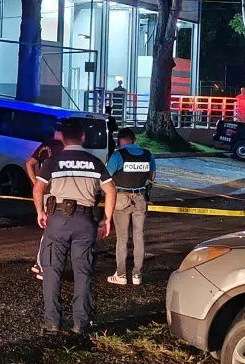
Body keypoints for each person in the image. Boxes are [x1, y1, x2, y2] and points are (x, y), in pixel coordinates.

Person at [32, 118, 117, 334]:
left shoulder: (54, 160)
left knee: (52, 271)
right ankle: (81, 322)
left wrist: (40, 212)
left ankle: (52, 321)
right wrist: (107, 219)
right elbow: (111, 190)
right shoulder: (94, 162)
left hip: (58, 219)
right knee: (83, 271)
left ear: (62, 138)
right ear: (83, 137)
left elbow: (38, 189)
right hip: (85, 221)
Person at [106, 128, 156, 286]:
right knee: (138, 236)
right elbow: (152, 176)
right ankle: (137, 275)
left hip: (121, 198)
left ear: (121, 141)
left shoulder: (118, 155)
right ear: (134, 139)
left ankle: (121, 274)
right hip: (140, 197)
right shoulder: (148, 154)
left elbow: (106, 176)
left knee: (122, 238)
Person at [25, 121, 65, 281]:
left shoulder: (44, 146)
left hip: (44, 191)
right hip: (54, 193)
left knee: (49, 230)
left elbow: (29, 163)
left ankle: (38, 263)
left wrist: (36, 182)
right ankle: (43, 265)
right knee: (51, 231)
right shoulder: (61, 148)